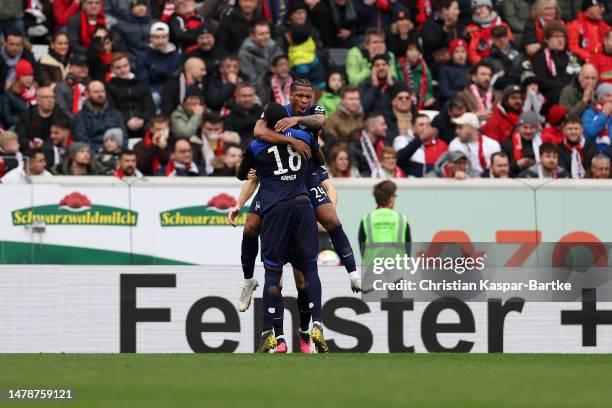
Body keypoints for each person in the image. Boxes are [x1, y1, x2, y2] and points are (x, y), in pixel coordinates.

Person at [235, 102, 326, 354]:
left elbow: (242, 175)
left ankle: (268, 333)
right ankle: (317, 322)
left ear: (265, 122)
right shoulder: (303, 135)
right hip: (302, 206)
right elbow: (320, 160)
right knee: (309, 268)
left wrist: (252, 164)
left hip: (274, 210)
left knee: (273, 272)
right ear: (285, 119)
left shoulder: (256, 146)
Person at [357, 180, 411, 277]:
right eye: (394, 195)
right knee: (395, 292)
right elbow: (408, 246)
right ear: (391, 199)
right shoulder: (401, 218)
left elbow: (362, 245)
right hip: (396, 268)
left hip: (373, 268)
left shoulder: (367, 218)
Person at [107, 53, 156, 140]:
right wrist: (127, 121)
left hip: (142, 122)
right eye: (118, 68)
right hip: (120, 123)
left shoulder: (141, 84)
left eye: (125, 66)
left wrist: (142, 120)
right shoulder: (109, 87)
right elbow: (111, 109)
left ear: (129, 66)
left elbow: (150, 107)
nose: (122, 70)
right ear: (112, 69)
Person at [532, 21, 581, 104]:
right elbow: (542, 81)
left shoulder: (572, 56)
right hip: (553, 94)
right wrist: (563, 87)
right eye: (556, 36)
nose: (560, 40)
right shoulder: (540, 57)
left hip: (573, 92)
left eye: (562, 36)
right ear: (546, 39)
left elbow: (578, 75)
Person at [72, 80, 127, 153]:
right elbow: (82, 141)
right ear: (87, 94)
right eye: (96, 92)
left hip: (116, 154)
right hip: (92, 156)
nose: (100, 95)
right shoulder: (80, 117)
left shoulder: (116, 114)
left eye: (102, 91)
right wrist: (100, 151)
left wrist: (118, 149)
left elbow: (124, 137)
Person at [137, 22, 181, 107]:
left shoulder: (176, 56)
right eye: (156, 37)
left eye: (163, 37)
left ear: (168, 38)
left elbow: (177, 77)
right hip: (154, 91)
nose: (160, 41)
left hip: (172, 91)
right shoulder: (144, 56)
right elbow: (143, 81)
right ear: (151, 38)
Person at [449, 111, 501, 176]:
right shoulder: (455, 144)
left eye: (460, 127)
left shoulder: (493, 145)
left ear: (471, 128)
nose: (456, 131)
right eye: (456, 128)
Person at [237, 19, 284, 87]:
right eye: (261, 34)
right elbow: (251, 81)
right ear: (252, 36)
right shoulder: (244, 54)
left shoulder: (275, 48)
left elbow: (285, 71)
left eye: (267, 33)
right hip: (259, 93)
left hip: (282, 88)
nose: (266, 37)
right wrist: (270, 77)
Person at [465, 0, 513, 65]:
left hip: (503, 61)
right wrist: (484, 64)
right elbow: (472, 53)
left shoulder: (501, 25)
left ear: (489, 7)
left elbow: (510, 45)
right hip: (482, 65)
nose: (478, 11)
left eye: (481, 7)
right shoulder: (471, 29)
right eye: (475, 9)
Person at [15, 86, 61, 151]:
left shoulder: (61, 116)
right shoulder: (27, 116)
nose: (50, 100)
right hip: (30, 151)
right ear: (37, 100)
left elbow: (61, 138)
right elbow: (21, 136)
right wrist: (29, 144)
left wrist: (44, 145)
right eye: (45, 97)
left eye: (52, 97)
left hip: (53, 150)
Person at [421, 0, 465, 64]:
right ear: (445, 10)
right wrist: (444, 30)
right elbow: (430, 44)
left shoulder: (458, 25)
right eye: (455, 9)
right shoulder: (430, 24)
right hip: (436, 64)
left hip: (455, 62)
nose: (458, 12)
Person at [396, 39, 435, 110]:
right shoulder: (399, 68)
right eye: (410, 50)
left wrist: (428, 98)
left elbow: (429, 90)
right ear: (405, 53)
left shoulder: (425, 70)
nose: (414, 53)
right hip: (404, 100)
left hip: (421, 101)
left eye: (416, 50)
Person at [348, 111, 390, 177]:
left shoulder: (385, 144)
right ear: (371, 128)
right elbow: (354, 173)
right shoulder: (354, 147)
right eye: (382, 124)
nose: (386, 127)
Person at [502, 111, 543, 177]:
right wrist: (517, 165)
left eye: (532, 128)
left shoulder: (542, 144)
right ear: (518, 128)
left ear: (536, 128)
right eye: (525, 127)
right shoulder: (508, 145)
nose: (528, 131)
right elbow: (501, 168)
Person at [54, 52, 90, 118]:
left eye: (86, 66)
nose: (84, 68)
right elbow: (62, 110)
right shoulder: (60, 87)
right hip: (69, 124)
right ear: (70, 68)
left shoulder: (93, 86)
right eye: (80, 65)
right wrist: (78, 122)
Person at [3, 59, 37, 129]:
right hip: (16, 127)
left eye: (30, 75)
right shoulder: (9, 95)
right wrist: (26, 121)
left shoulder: (36, 93)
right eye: (25, 75)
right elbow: (6, 117)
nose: (28, 78)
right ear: (18, 77)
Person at [439, 38, 471, 103]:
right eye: (457, 51)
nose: (460, 54)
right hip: (452, 101)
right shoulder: (445, 69)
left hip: (470, 101)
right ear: (452, 54)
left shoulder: (472, 68)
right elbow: (444, 91)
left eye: (463, 51)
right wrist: (459, 95)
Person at [582, 82, 612, 152]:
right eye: (607, 96)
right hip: (596, 152)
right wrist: (603, 115)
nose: (611, 99)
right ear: (600, 98)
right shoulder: (590, 112)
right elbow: (589, 132)